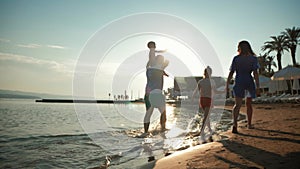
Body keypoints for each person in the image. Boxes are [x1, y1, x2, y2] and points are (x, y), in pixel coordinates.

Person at [226, 40, 260, 134]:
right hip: (249, 81)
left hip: (239, 81)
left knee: (237, 105)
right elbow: (255, 73)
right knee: (248, 104)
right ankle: (249, 124)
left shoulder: (236, 59)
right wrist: (258, 86)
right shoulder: (253, 59)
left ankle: (235, 125)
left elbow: (231, 72)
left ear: (239, 48)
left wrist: (227, 84)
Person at [143, 55, 169, 136]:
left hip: (149, 94)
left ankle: (145, 132)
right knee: (163, 113)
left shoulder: (149, 68)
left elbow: (151, 61)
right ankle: (163, 130)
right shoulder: (160, 68)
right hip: (157, 95)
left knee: (148, 114)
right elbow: (167, 62)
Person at [192, 66, 220, 140]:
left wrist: (192, 98)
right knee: (206, 116)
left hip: (202, 100)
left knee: (206, 115)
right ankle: (201, 131)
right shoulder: (212, 81)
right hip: (208, 100)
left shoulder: (201, 81)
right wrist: (224, 91)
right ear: (210, 73)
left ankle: (209, 129)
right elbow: (216, 91)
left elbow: (195, 92)